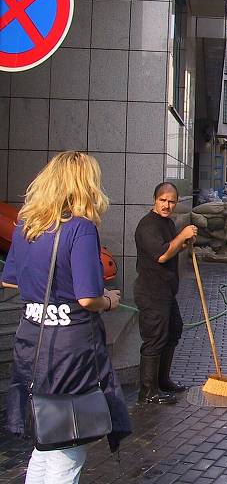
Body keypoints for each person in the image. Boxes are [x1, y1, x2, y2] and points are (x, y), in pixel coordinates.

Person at [2, 151, 132, 483]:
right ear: (84, 185)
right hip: (70, 350)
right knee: (69, 441)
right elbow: (88, 296)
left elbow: (8, 278)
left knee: (46, 435)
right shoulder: (81, 229)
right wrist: (110, 300)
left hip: (32, 341)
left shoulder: (27, 225)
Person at [134, 182, 197, 404]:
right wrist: (181, 236)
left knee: (173, 331)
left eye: (171, 202)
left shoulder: (167, 223)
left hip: (167, 292)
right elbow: (161, 255)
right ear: (155, 199)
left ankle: (162, 380)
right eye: (163, 200)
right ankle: (148, 391)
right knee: (155, 339)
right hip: (152, 292)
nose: (167, 205)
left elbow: (170, 248)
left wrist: (183, 243)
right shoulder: (147, 226)